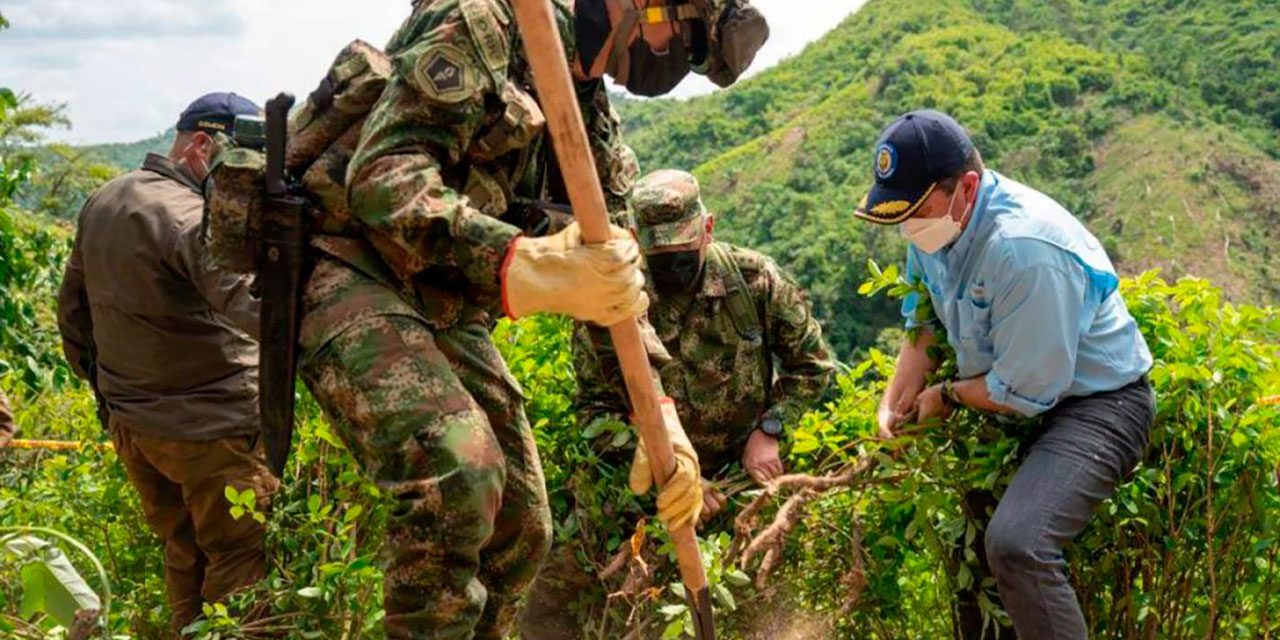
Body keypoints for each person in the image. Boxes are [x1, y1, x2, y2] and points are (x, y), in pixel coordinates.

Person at [291, 1, 769, 639]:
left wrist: (661, 415)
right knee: (460, 476)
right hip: (348, 267)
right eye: (682, 40)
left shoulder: (587, 110)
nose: (673, 62)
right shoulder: (486, 21)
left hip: (446, 300)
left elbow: (615, 280)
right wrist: (520, 261)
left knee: (521, 524)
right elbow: (383, 179)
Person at [856, 110, 1156, 640]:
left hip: (1096, 404)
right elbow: (922, 325)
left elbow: (1025, 391)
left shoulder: (1023, 251)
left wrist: (946, 395)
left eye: (916, 212)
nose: (909, 228)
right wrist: (893, 402)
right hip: (1007, 396)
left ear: (967, 188)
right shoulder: (935, 231)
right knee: (971, 554)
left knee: (1019, 544)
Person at [57, 93, 278, 635]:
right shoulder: (190, 217)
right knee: (240, 560)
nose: (244, 179)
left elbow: (73, 316)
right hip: (213, 432)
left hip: (137, 428)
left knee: (183, 551)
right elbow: (261, 313)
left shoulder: (105, 199)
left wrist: (114, 397)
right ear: (202, 146)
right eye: (240, 162)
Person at [575, 169, 836, 512]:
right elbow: (594, 410)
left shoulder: (755, 281)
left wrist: (771, 428)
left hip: (744, 479)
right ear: (637, 239)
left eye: (684, 243)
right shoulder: (613, 304)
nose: (673, 261)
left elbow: (812, 366)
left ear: (708, 228)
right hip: (652, 496)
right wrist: (669, 471)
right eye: (660, 249)